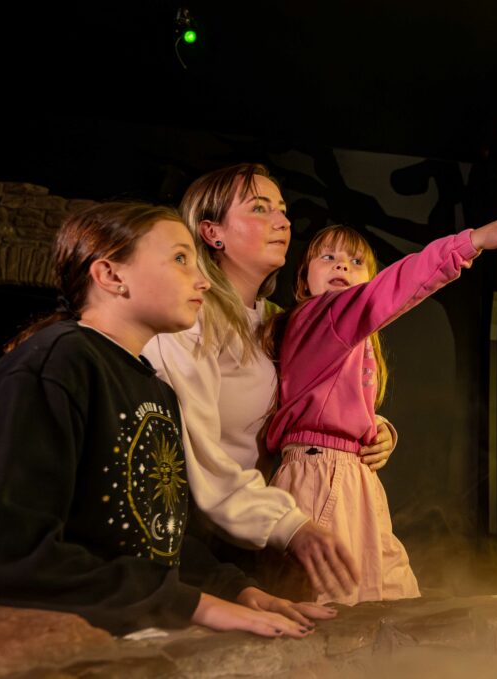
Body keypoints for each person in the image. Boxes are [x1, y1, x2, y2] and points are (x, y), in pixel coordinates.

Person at [0, 202, 333, 637]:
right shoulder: (56, 366)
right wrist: (194, 605)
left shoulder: (158, 391)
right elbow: (12, 561)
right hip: (27, 647)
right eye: (179, 259)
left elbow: (151, 537)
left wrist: (233, 589)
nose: (203, 280)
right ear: (111, 276)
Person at [259, 205, 497, 604]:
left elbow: (328, 403)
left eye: (356, 261)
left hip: (351, 478)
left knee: (393, 598)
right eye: (328, 257)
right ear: (304, 280)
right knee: (328, 613)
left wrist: (377, 429)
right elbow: (396, 286)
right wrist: (473, 241)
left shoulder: (348, 339)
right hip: (321, 478)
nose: (342, 265)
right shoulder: (318, 316)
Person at [141, 164, 387, 599]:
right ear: (212, 232)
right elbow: (197, 457)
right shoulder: (191, 321)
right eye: (260, 208)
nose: (283, 221)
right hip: (198, 542)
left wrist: (375, 429)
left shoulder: (279, 322)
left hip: (265, 532)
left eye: (283, 209)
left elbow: (317, 401)